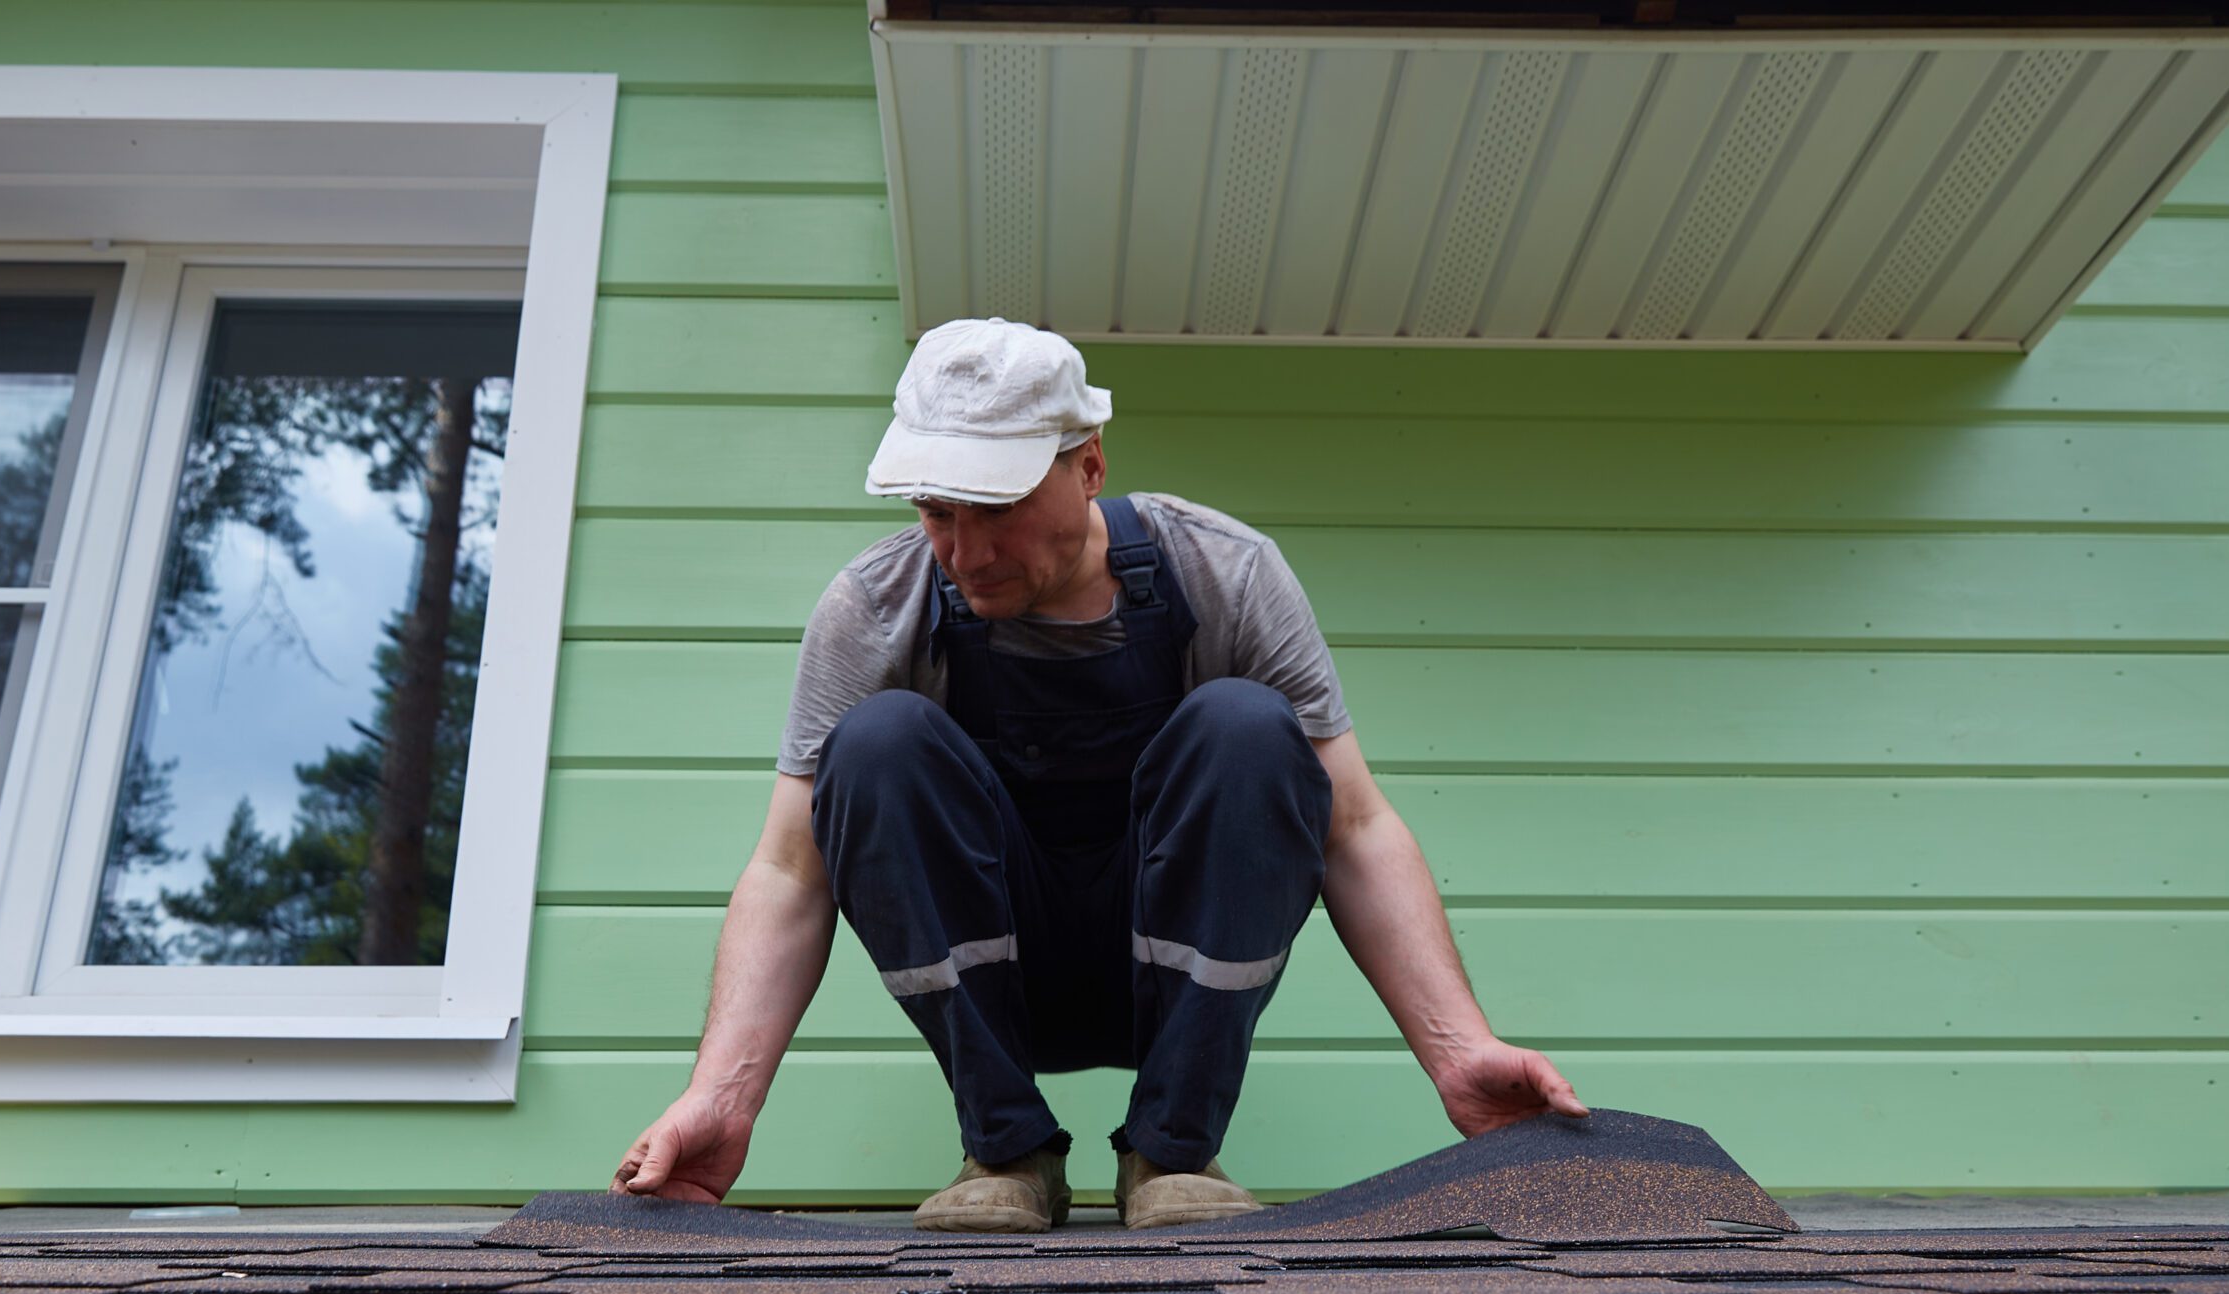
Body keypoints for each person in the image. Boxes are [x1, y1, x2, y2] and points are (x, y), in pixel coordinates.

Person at [612, 318, 1586, 1231]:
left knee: (1248, 725)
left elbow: (1355, 828)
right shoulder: (876, 606)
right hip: (994, 971)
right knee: (877, 742)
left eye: (995, 507)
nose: (965, 551)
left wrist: (1458, 1055)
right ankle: (1005, 1158)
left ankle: (1172, 1157)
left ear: (1089, 466)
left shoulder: (1226, 574)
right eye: (936, 511)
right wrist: (720, 1099)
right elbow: (789, 870)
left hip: (1171, 970)